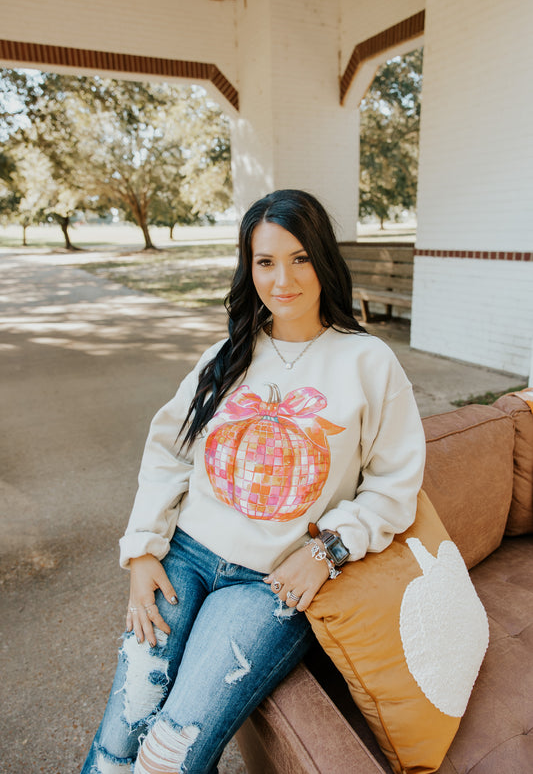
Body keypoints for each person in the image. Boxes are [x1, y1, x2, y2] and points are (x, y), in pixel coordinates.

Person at [81, 189, 426, 774]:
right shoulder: (229, 353)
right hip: (184, 557)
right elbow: (169, 451)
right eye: (265, 262)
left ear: (323, 260)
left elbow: (394, 487)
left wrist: (328, 550)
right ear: (249, 268)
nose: (281, 279)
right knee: (121, 734)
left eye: (299, 258)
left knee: (172, 750)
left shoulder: (368, 363)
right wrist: (142, 552)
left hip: (269, 584)